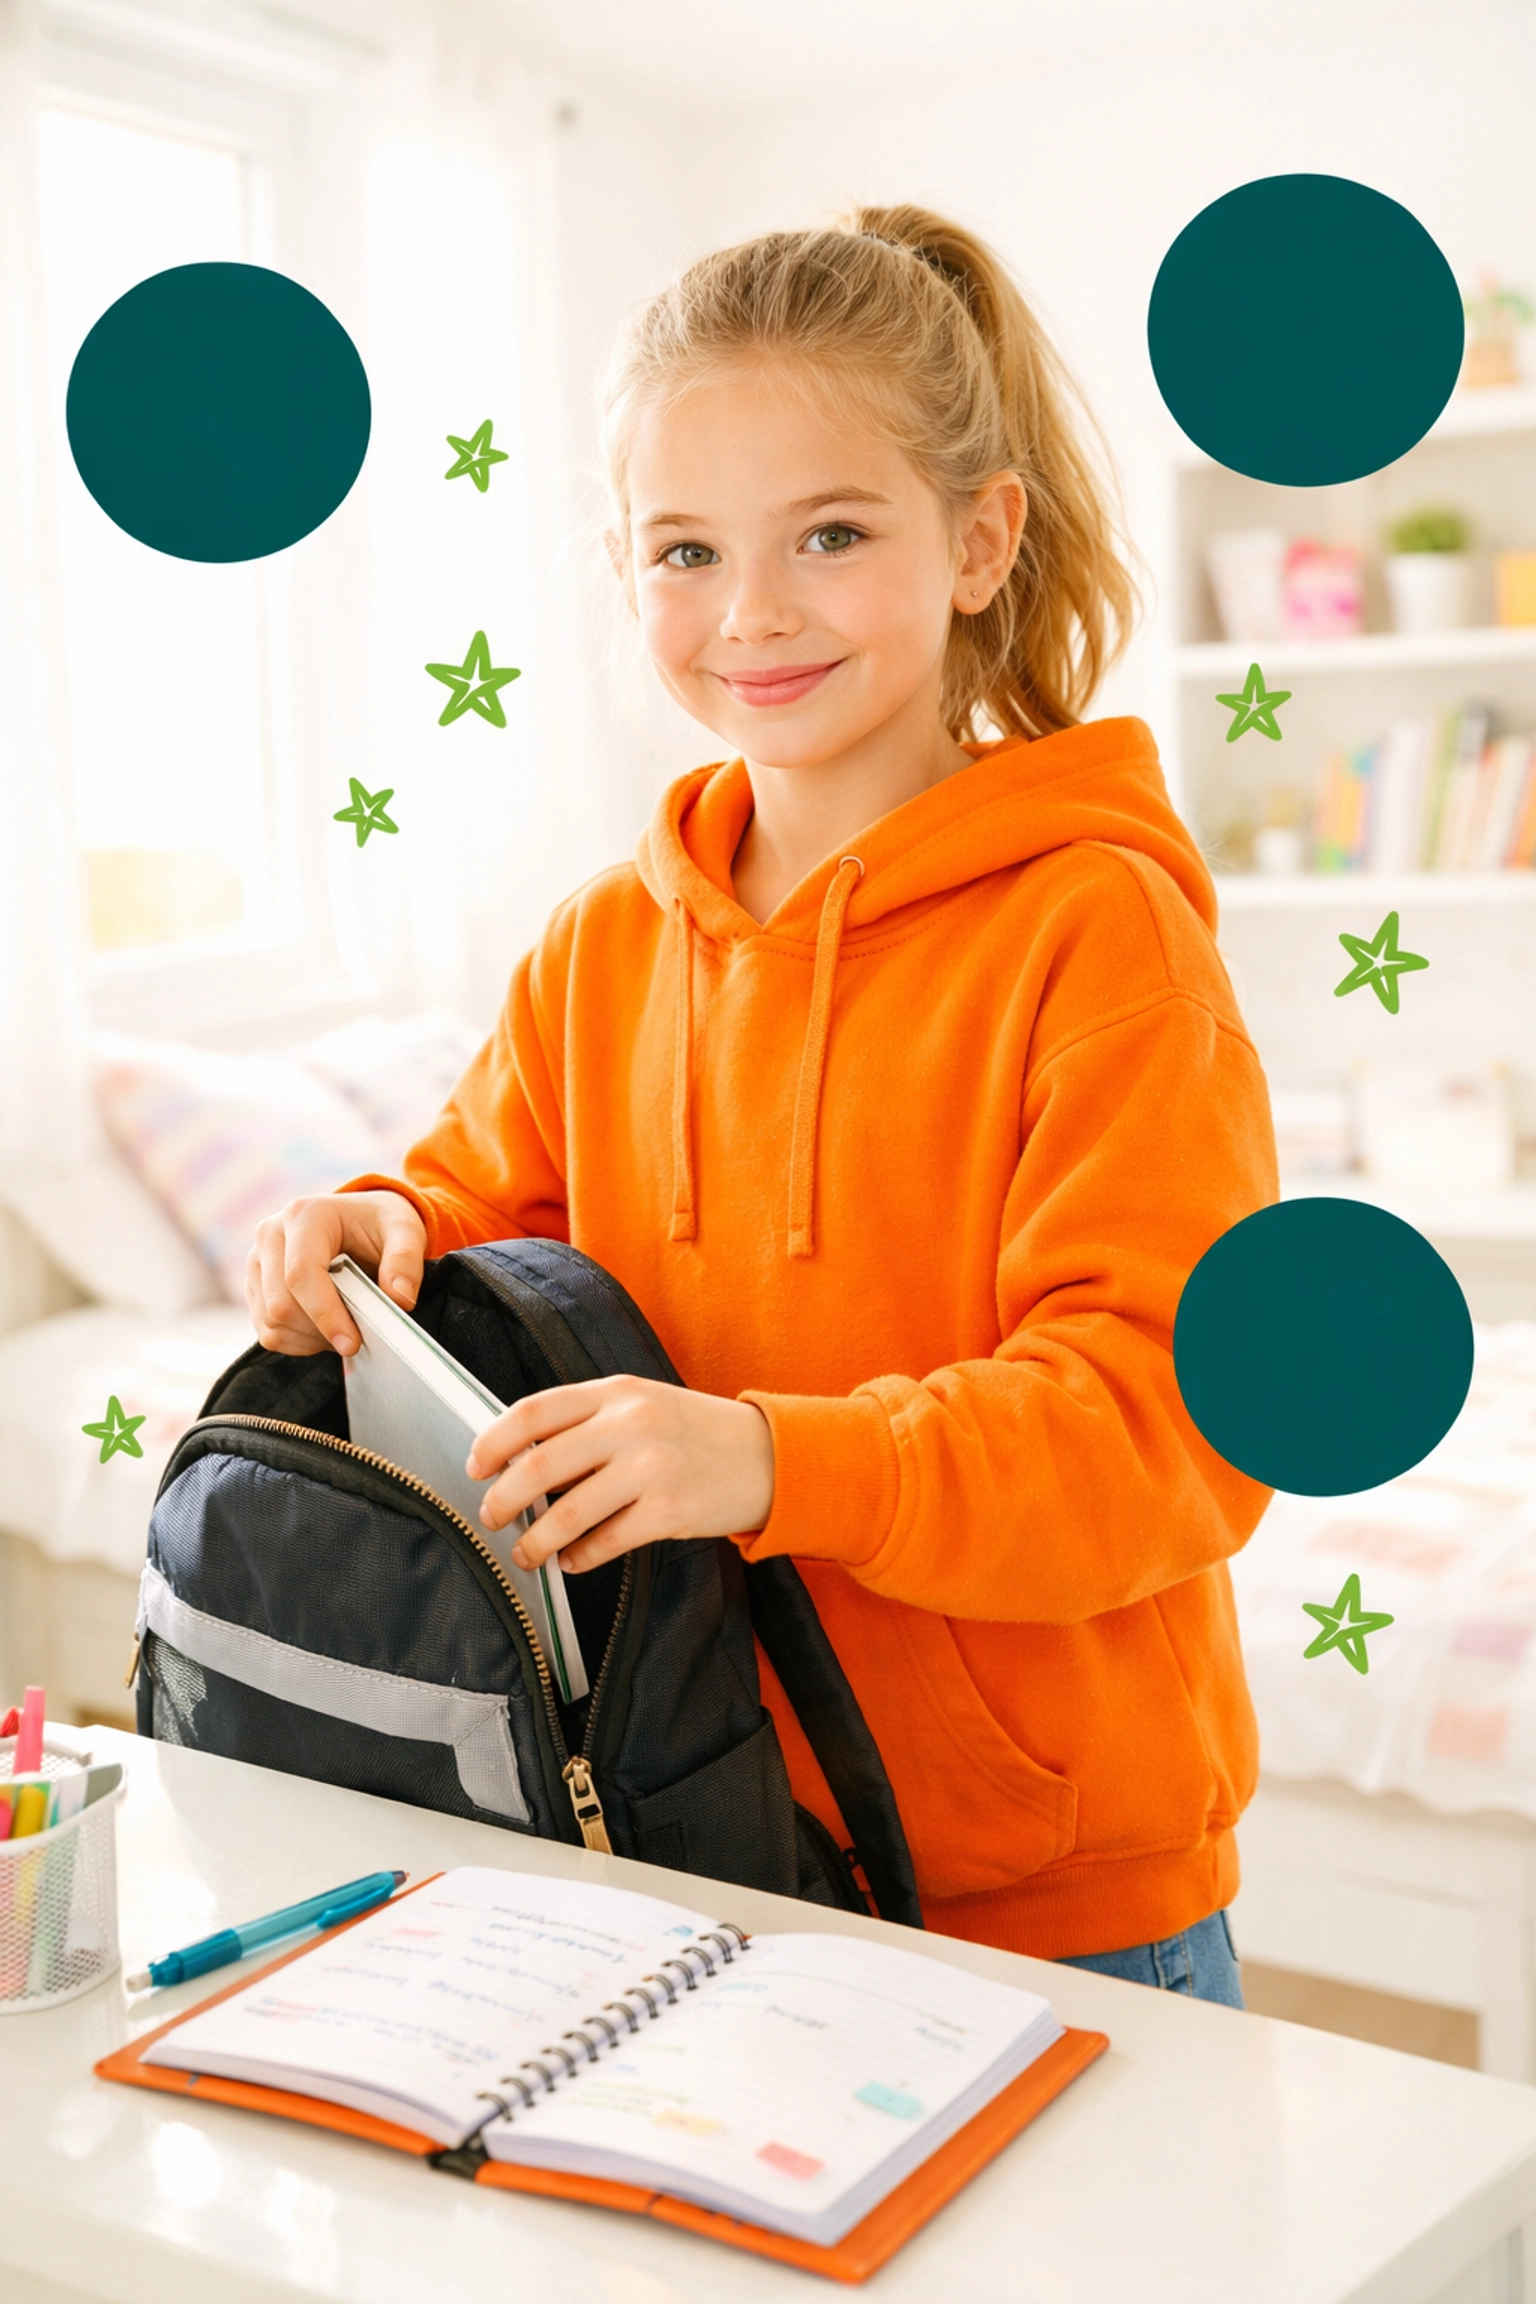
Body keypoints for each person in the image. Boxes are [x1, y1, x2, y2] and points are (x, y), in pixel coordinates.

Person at [247, 204, 1276, 2004]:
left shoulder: (1099, 937)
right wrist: (383, 1228)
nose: (755, 614)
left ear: (980, 541)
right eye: (685, 551)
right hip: (685, 1835)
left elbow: (1166, 1433)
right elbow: (490, 1220)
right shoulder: (600, 946)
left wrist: (772, 1458)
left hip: (1051, 1904)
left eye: (831, 533)